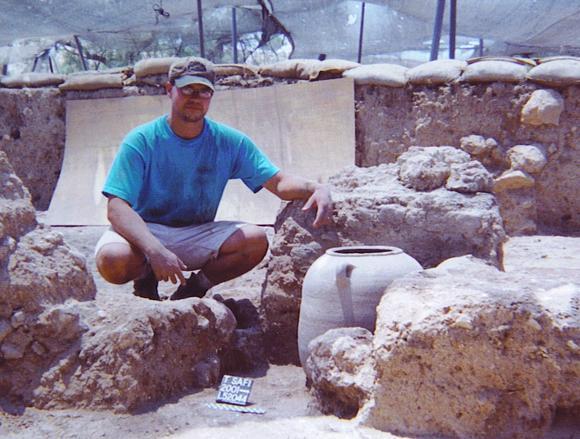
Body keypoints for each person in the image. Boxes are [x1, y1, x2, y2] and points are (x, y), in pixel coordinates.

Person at [95, 57, 332, 301]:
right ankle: (145, 280)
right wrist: (154, 250)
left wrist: (315, 187)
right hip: (146, 231)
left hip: (196, 232)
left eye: (204, 91)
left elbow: (278, 182)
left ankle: (194, 289)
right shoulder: (142, 140)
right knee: (113, 260)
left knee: (254, 240)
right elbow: (116, 207)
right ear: (169, 90)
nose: (195, 97)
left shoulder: (229, 142)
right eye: (187, 88)